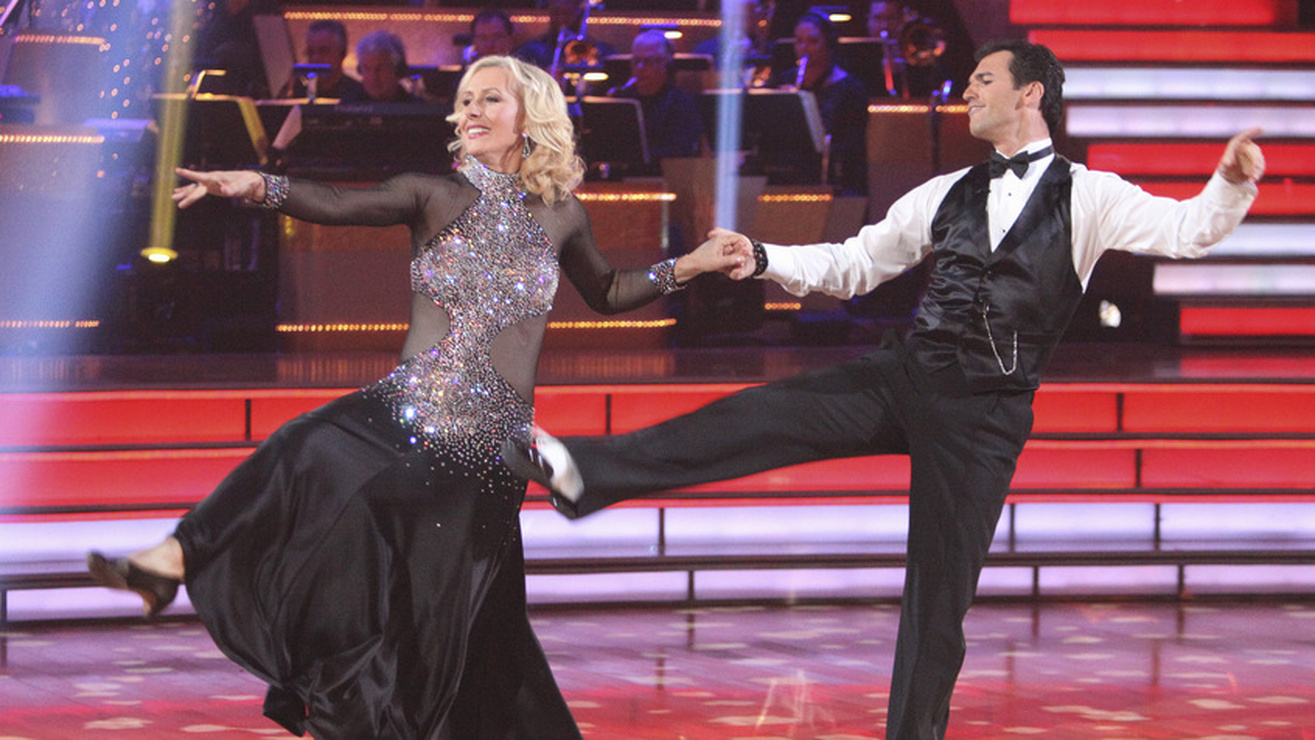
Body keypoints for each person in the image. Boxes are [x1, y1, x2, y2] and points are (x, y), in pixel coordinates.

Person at [503, 39, 1266, 740]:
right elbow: (855, 263)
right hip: (907, 375)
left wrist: (1229, 183)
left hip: (984, 413)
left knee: (937, 601)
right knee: (759, 414)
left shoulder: (1091, 195)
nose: (967, 91)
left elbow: (1187, 230)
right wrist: (764, 257)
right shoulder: (947, 190)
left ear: (1029, 94)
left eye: (983, 80)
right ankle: (587, 474)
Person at [86, 54, 741, 738]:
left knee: (468, 630)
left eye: (491, 98)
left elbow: (606, 291)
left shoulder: (561, 215)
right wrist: (256, 185)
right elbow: (337, 205)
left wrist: (688, 265)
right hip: (409, 410)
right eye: (466, 100)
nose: (472, 110)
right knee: (303, 443)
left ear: (530, 116)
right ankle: (176, 555)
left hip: (489, 448)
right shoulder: (432, 194)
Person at [767, 11, 869, 194]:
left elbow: (853, 143)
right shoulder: (782, 81)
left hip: (833, 172)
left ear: (829, 44)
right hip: (789, 168)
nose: (803, 48)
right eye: (799, 41)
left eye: (813, 41)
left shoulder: (850, 88)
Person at [606, 30, 705, 169]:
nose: (640, 68)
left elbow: (681, 151)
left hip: (663, 176)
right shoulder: (620, 100)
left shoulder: (682, 103)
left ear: (666, 64)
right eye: (636, 61)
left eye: (648, 61)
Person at [514, 0, 614, 76]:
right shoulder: (530, 51)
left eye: (567, 13)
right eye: (557, 12)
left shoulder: (601, 51)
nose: (562, 19)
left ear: (579, 14)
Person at [280, 19, 366, 100]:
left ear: (342, 54)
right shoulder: (298, 89)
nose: (315, 58)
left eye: (324, 51)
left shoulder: (360, 95)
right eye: (310, 52)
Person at [343, 29, 420, 104]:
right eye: (367, 69)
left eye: (381, 69)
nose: (373, 77)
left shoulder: (418, 108)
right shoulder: (346, 107)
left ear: (398, 70)